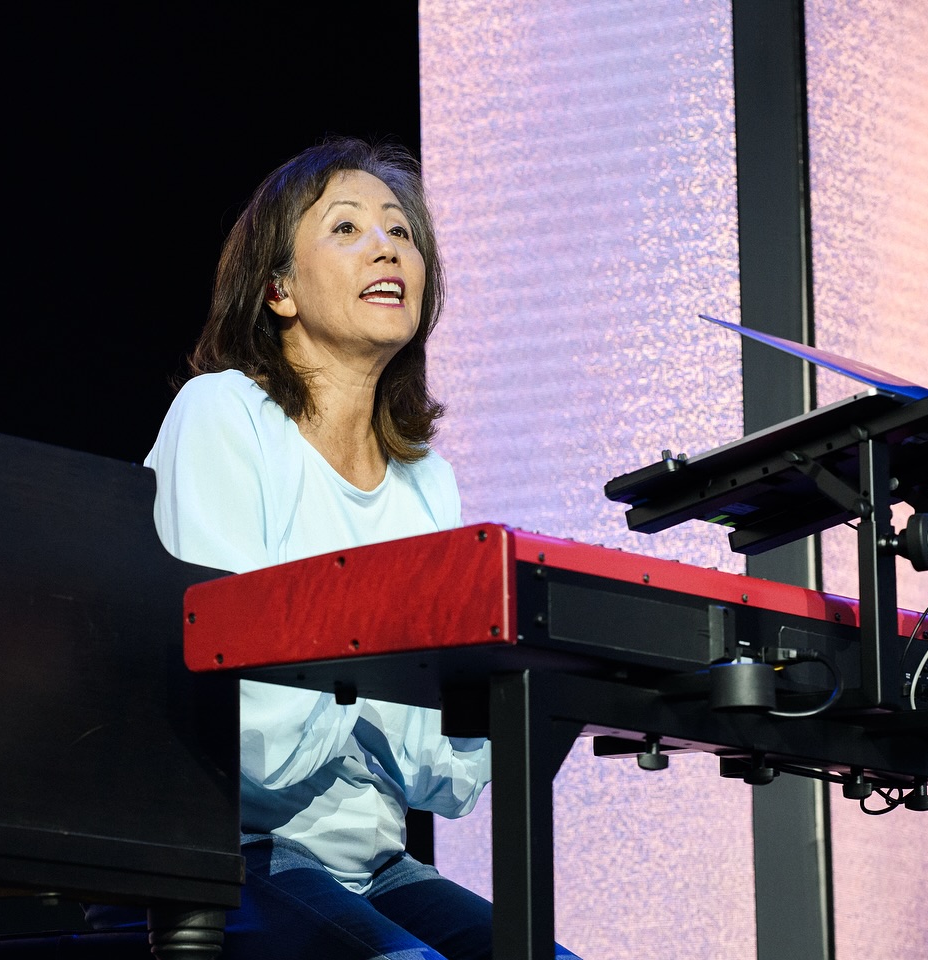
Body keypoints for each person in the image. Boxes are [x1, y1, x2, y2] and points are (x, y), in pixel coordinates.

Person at [100, 137, 581, 959]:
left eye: (401, 231)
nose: (387, 245)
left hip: (377, 865)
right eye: (347, 228)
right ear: (278, 290)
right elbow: (234, 724)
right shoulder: (224, 416)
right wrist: (370, 672)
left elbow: (446, 776)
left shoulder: (425, 477)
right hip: (230, 856)